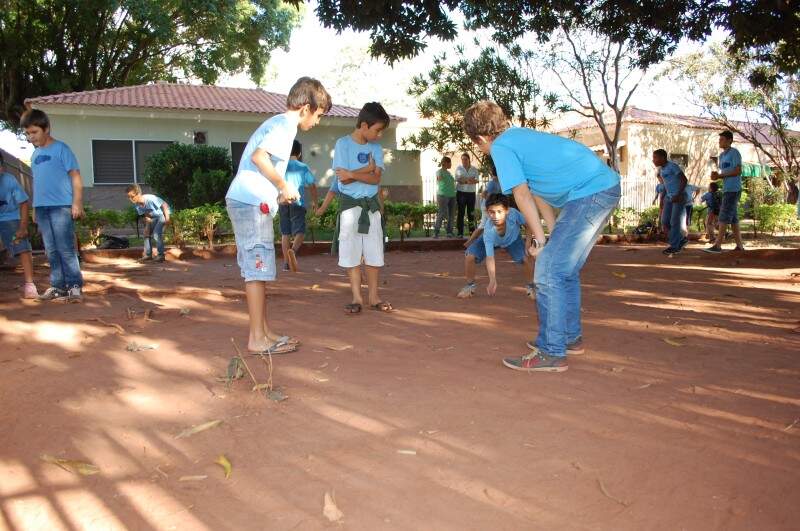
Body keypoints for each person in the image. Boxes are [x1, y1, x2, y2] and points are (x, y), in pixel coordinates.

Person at [463, 101, 620, 373]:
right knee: (563, 269)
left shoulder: (500, 147)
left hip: (589, 193)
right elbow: (537, 193)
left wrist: (539, 240)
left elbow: (521, 195)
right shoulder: (517, 138)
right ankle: (568, 339)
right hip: (598, 189)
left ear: (480, 138)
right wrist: (545, 235)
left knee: (547, 271)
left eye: (477, 144)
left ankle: (551, 351)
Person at [225, 76, 331, 354]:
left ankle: (264, 332)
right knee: (256, 270)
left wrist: (280, 190)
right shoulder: (285, 126)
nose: (317, 122)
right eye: (318, 115)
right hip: (250, 201)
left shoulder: (277, 124)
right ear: (306, 108)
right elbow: (259, 157)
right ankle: (257, 339)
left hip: (249, 199)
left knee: (258, 270)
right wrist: (282, 185)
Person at [315, 102, 392, 314]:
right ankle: (357, 298)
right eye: (377, 130)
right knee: (351, 253)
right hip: (350, 209)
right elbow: (342, 182)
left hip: (372, 209)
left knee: (374, 253)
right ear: (364, 125)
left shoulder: (376, 148)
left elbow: (376, 179)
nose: (379, 136)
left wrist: (354, 173)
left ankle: (374, 297)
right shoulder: (342, 145)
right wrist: (364, 170)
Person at [21, 109, 85, 302]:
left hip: (61, 206)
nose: (31, 137)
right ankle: (58, 287)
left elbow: (75, 175)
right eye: (27, 134)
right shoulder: (35, 155)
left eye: (34, 132)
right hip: (42, 208)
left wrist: (77, 202)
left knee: (65, 248)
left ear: (46, 128)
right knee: (51, 248)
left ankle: (74, 286)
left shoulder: (61, 149)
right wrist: (34, 207)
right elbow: (38, 182)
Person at [457, 194, 534, 300]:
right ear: (488, 212)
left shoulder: (513, 214)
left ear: (507, 211)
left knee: (527, 258)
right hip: (493, 241)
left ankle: (531, 287)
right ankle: (470, 286)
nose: (496, 216)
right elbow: (490, 258)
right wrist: (492, 279)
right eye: (492, 212)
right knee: (470, 256)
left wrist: (528, 242)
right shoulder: (489, 231)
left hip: (513, 240)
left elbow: (527, 225)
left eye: (499, 212)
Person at [0, 153, 38, 298]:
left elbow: (23, 204)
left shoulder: (9, 180)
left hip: (10, 217)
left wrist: (22, 227)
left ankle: (30, 284)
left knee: (22, 246)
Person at [279, 140, 317, 272]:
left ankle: (286, 263)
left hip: (283, 202)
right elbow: (312, 185)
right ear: (299, 153)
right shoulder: (303, 167)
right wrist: (315, 202)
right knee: (300, 232)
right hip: (298, 202)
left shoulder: (281, 166)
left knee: (285, 233)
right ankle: (293, 251)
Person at [704, 130, 745, 253]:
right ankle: (740, 246)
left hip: (734, 189)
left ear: (730, 140)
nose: (719, 141)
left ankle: (717, 245)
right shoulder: (721, 156)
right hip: (727, 189)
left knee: (723, 215)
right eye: (719, 139)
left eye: (722, 139)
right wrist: (716, 175)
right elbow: (724, 173)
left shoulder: (735, 153)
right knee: (733, 219)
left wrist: (720, 176)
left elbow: (738, 171)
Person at [652, 149, 688, 255]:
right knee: (665, 221)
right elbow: (666, 185)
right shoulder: (661, 170)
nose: (653, 160)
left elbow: (684, 180)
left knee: (674, 222)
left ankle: (674, 246)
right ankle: (681, 240)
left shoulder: (673, 166)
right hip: (669, 197)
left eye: (655, 157)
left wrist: (678, 194)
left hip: (679, 197)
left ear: (662, 158)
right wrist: (663, 198)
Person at [126, 185, 170, 263]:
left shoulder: (150, 198)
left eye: (132, 196)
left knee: (156, 234)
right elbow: (147, 215)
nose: (130, 199)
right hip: (153, 218)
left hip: (161, 215)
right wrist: (147, 227)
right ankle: (148, 255)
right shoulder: (137, 205)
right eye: (128, 197)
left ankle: (161, 256)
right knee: (146, 234)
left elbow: (164, 205)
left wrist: (167, 219)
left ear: (138, 194)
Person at [454, 152, 479, 237]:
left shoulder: (474, 169)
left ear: (469, 160)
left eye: (465, 159)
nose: (464, 161)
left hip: (471, 193)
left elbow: (476, 180)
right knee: (461, 213)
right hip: (461, 193)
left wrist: (464, 180)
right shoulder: (458, 168)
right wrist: (469, 180)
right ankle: (460, 233)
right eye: (462, 159)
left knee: (471, 213)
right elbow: (458, 179)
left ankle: (472, 233)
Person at [433, 156, 456, 238]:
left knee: (451, 214)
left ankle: (449, 232)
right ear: (445, 163)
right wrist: (439, 179)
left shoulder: (449, 173)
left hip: (452, 196)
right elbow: (439, 178)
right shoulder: (439, 172)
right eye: (450, 163)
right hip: (443, 195)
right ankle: (436, 232)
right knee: (441, 213)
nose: (451, 164)